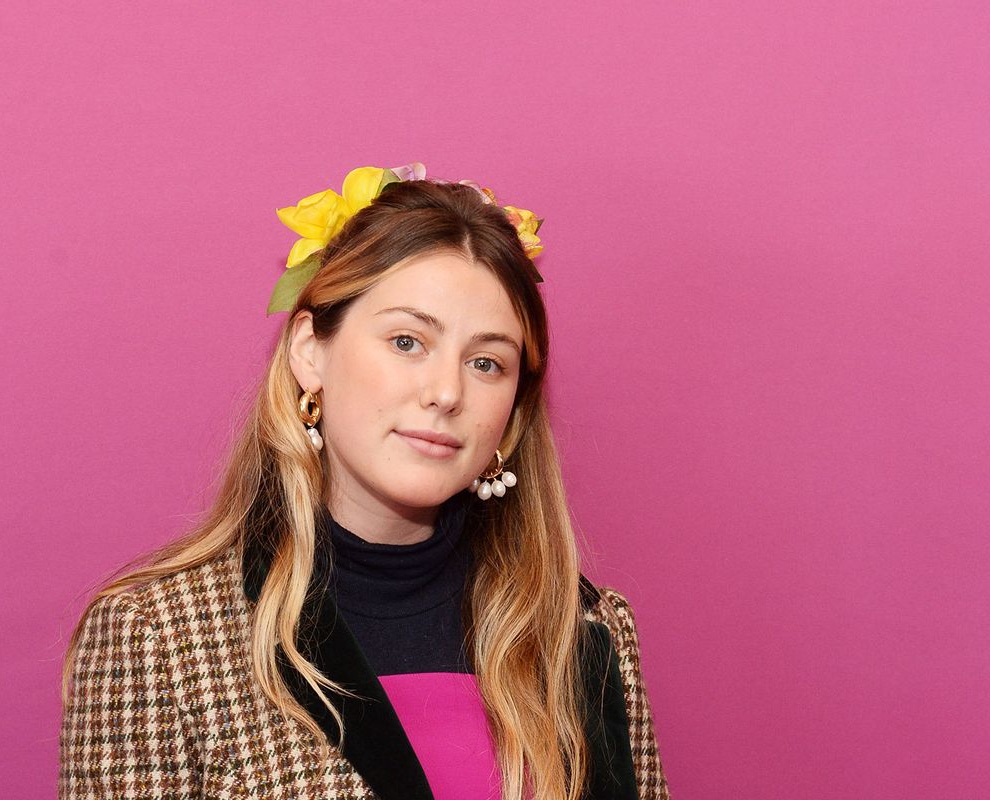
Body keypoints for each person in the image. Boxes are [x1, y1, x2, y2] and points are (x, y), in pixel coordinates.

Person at [58, 164, 670, 800]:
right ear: (310, 351)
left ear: (512, 413)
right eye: (407, 341)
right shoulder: (158, 637)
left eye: (487, 362)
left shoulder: (588, 629)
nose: (445, 392)